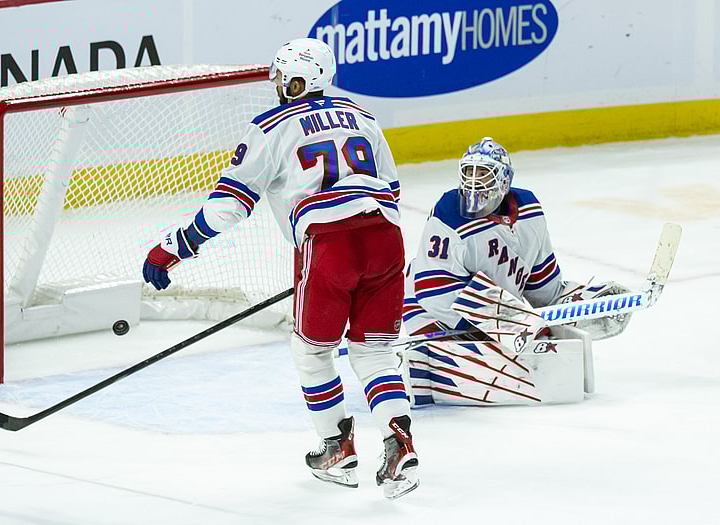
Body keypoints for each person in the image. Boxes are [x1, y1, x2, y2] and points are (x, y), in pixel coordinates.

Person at [142, 38, 418, 500]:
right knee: (374, 352)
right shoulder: (363, 117)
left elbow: (229, 207)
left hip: (328, 245)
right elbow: (390, 188)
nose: (275, 84)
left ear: (300, 80)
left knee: (312, 352)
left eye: (281, 76)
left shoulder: (270, 126)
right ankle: (400, 444)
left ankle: (338, 448)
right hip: (387, 237)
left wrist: (175, 246)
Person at [402, 137, 631, 405]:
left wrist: (570, 304)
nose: (474, 182)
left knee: (543, 347)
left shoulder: (529, 210)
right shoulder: (449, 211)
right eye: (469, 172)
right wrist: (498, 326)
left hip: (500, 317)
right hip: (431, 310)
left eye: (483, 174)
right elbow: (434, 291)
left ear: (504, 181)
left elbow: (542, 284)